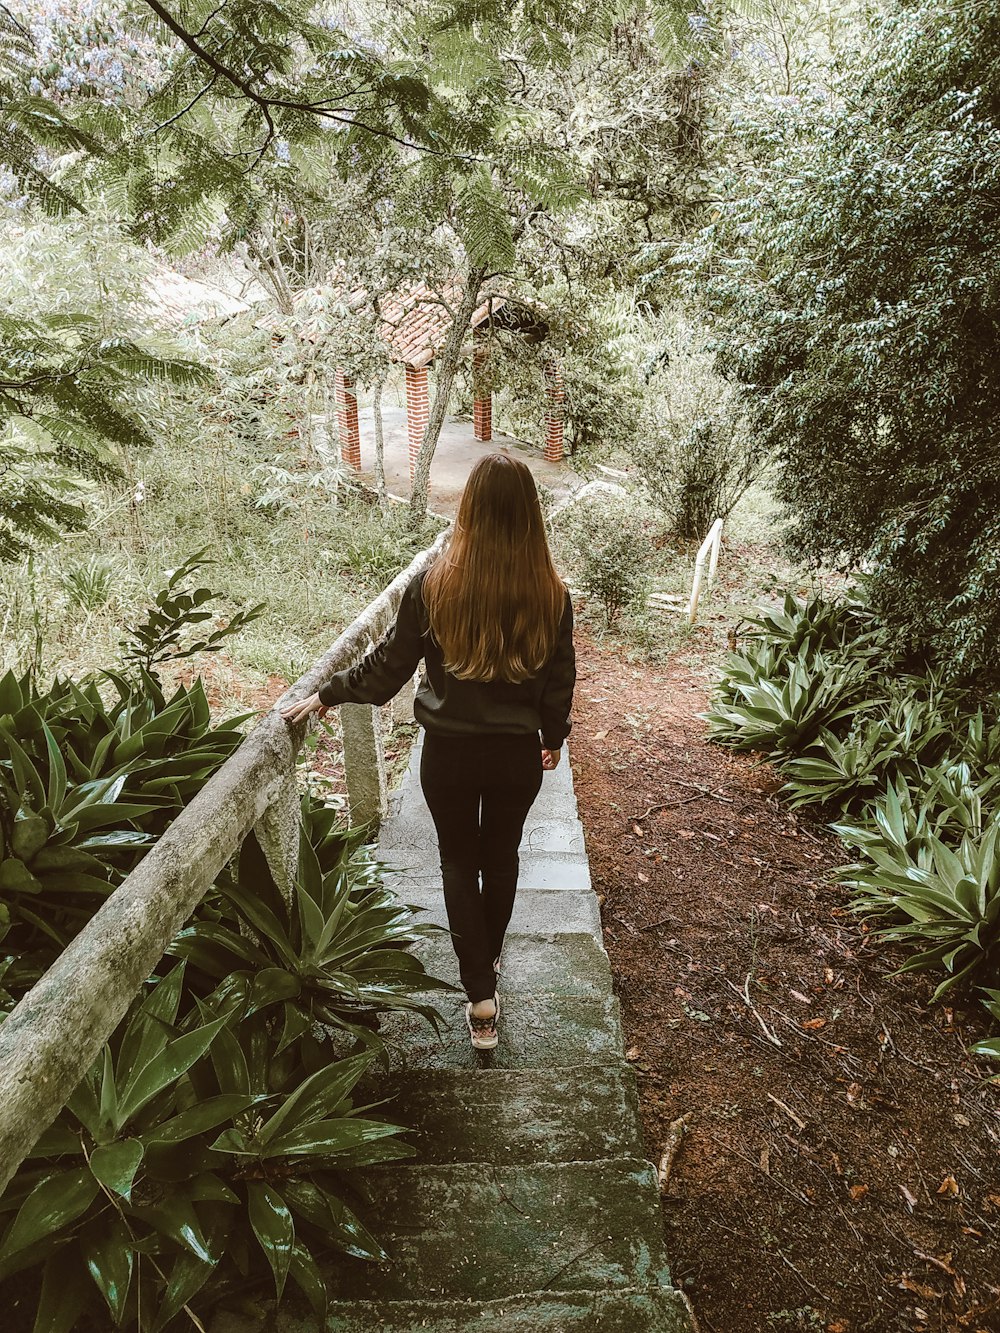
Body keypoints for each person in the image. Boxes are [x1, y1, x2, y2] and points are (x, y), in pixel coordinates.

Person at [280, 453, 575, 1051]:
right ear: (530, 516)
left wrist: (326, 693)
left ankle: (478, 995)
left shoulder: (435, 584)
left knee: (458, 864)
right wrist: (551, 738)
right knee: (503, 857)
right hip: (514, 757)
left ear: (467, 509)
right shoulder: (551, 592)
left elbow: (389, 668)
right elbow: (559, 678)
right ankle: (486, 972)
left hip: (449, 754)